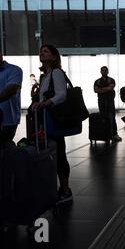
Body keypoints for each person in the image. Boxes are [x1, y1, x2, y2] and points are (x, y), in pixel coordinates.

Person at [32, 44, 73, 205]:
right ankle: (59, 189)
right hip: (46, 118)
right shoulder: (45, 75)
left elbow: (62, 95)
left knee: (59, 153)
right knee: (53, 153)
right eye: (41, 51)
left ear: (55, 56)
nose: (42, 53)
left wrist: (45, 103)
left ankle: (65, 190)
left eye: (46, 51)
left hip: (53, 119)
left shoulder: (56, 72)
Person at [94, 66, 121, 142]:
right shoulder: (97, 81)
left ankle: (114, 134)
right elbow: (95, 90)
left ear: (107, 71)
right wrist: (106, 89)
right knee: (103, 118)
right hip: (101, 102)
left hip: (110, 102)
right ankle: (105, 135)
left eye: (105, 70)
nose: (104, 72)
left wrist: (101, 90)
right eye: (102, 70)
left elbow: (111, 88)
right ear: (100, 71)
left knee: (112, 118)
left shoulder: (111, 80)